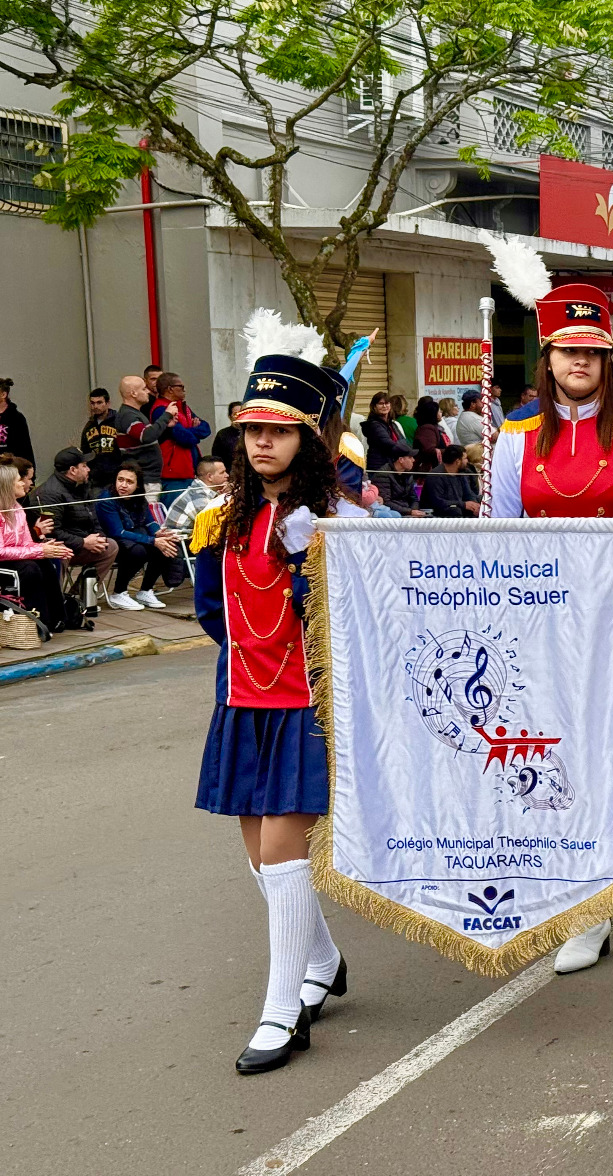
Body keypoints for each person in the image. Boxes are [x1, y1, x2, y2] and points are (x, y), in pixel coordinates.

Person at [487, 282, 613, 974]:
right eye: (570, 350)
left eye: (593, 352)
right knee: (543, 761)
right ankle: (558, 885)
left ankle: (595, 904)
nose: (581, 361)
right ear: (549, 357)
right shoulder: (513, 436)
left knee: (605, 765)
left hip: (612, 624)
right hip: (538, 630)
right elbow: (499, 536)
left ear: (608, 361)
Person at [189, 345, 353, 1075]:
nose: (260, 442)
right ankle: (323, 959)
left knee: (284, 857)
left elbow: (348, 622)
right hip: (243, 700)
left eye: (279, 430)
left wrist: (305, 567)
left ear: (308, 440)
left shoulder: (336, 522)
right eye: (252, 428)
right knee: (260, 859)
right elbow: (212, 615)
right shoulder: (216, 521)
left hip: (307, 705)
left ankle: (282, 1013)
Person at [95, 462, 187, 610]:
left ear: (137, 486)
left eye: (129, 482)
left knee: (165, 546)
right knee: (140, 551)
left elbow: (150, 521)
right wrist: (153, 540)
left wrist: (159, 533)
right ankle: (118, 592)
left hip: (133, 537)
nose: (123, 485)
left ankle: (146, 590)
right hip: (111, 542)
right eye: (120, 480)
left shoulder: (139, 497)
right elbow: (117, 532)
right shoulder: (106, 499)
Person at [33, 447, 119, 592]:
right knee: (59, 552)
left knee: (110, 546)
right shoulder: (50, 493)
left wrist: (98, 538)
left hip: (80, 542)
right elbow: (52, 534)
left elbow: (94, 519)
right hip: (62, 544)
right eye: (84, 466)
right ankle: (56, 602)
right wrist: (83, 542)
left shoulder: (82, 487)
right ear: (73, 470)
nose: (89, 469)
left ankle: (80, 597)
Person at [0, 461, 69, 631]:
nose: (24, 483)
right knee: (30, 569)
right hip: (3, 561)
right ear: (7, 485)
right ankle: (36, 621)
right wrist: (39, 550)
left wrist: (46, 547)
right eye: (19, 480)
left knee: (46, 563)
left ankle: (56, 619)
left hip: (14, 558)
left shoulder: (17, 508)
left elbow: (25, 543)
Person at [149, 372, 214, 504]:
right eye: (181, 386)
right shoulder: (161, 410)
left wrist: (189, 432)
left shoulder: (183, 407)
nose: (185, 389)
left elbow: (206, 428)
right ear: (170, 389)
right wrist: (194, 432)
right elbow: (184, 438)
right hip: (173, 476)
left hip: (189, 472)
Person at [113, 374, 168, 504]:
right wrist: (167, 415)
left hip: (148, 478)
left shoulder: (134, 413)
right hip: (144, 479)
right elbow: (146, 436)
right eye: (144, 389)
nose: (148, 391)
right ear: (133, 393)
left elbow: (146, 434)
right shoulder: (128, 415)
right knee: (148, 516)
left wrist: (166, 424)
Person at [164, 456, 230, 543]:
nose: (227, 475)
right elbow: (218, 523)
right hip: (180, 543)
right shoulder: (198, 496)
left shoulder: (208, 491)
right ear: (210, 477)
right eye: (222, 473)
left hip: (191, 539)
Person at [420, 444, 479, 517]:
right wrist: (463, 505)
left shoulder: (462, 472)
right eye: (465, 458)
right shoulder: (435, 476)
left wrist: (475, 506)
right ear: (457, 461)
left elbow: (468, 494)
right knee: (455, 510)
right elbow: (438, 502)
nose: (467, 461)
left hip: (458, 506)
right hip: (439, 512)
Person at [82, 387, 122, 488]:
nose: (95, 406)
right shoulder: (89, 426)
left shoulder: (118, 422)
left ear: (108, 403)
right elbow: (85, 451)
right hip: (96, 479)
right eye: (92, 403)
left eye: (99, 402)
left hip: (117, 476)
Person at [360, 392, 409, 470]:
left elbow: (403, 441)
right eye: (381, 403)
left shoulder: (392, 424)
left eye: (387, 403)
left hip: (392, 466)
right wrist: (408, 451)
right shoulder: (373, 425)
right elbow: (388, 443)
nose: (384, 406)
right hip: (379, 467)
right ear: (374, 407)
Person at [371, 445, 423, 516]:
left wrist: (414, 511)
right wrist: (410, 512)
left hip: (407, 512)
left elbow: (413, 498)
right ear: (401, 460)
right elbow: (386, 502)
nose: (413, 460)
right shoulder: (383, 475)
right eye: (410, 457)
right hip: (392, 514)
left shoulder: (408, 474)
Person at [0, 377, 35, 463]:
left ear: (3, 395)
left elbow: (25, 448)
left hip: (10, 470)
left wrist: (28, 472)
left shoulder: (16, 418)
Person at [410, 396, 447, 470]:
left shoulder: (434, 427)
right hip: (430, 469)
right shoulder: (427, 429)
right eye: (438, 411)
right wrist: (450, 451)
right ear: (433, 413)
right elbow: (429, 450)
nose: (441, 413)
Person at [211, 402, 244, 471]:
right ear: (230, 416)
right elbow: (216, 457)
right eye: (235, 414)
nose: (238, 416)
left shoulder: (251, 433)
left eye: (241, 413)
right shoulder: (222, 434)